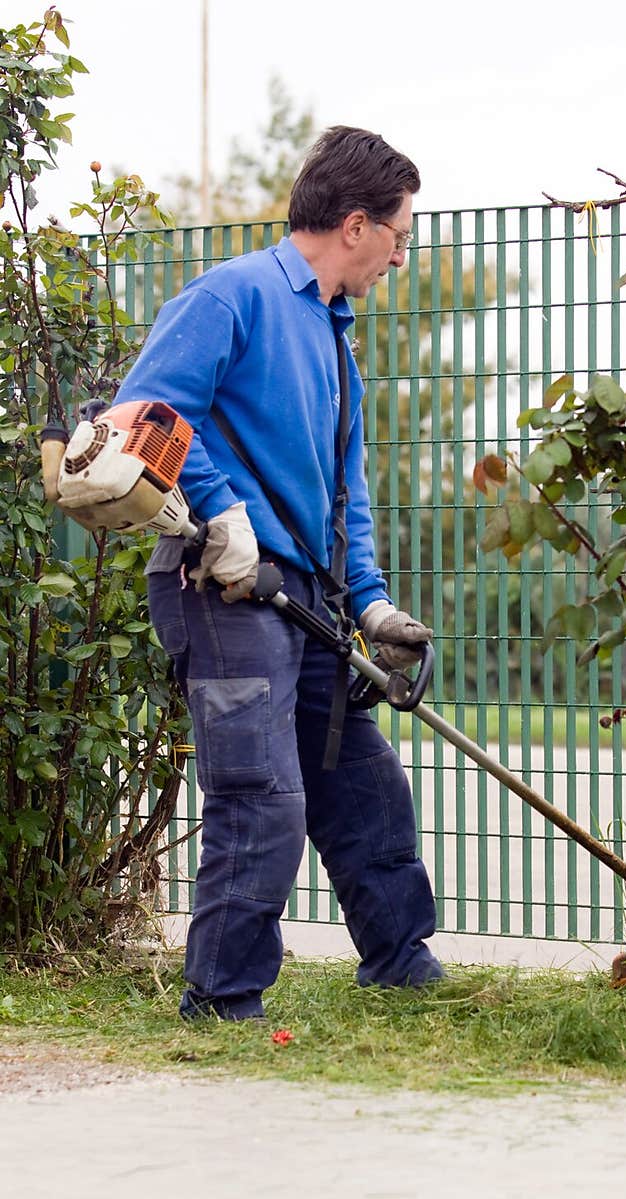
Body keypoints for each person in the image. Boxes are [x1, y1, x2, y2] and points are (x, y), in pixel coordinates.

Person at [113, 125, 445, 1020]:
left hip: (306, 595)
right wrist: (221, 512)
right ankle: (221, 1001)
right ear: (353, 224)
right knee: (262, 797)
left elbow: (348, 493)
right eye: (399, 237)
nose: (399, 258)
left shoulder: (334, 339)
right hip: (221, 588)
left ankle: (402, 964)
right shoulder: (234, 296)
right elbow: (142, 411)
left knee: (360, 785)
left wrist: (370, 603)